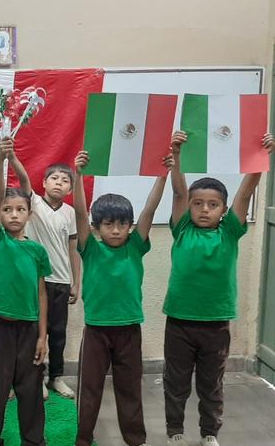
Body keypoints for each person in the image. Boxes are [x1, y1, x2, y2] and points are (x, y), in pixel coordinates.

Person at [164, 131, 275, 446]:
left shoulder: (229, 233)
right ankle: (175, 431)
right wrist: (177, 156)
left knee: (211, 384)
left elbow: (246, 192)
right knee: (176, 382)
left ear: (224, 210)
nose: (204, 209)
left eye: (213, 205)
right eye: (198, 204)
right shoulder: (182, 229)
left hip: (216, 325)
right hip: (180, 322)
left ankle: (209, 433)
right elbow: (178, 192)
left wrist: (260, 158)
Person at [72, 149, 173, 446]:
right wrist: (78, 175)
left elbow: (149, 210)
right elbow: (80, 212)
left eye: (122, 224)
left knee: (129, 389)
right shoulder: (90, 248)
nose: (116, 230)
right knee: (90, 389)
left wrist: (163, 175)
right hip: (96, 330)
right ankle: (83, 438)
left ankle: (135, 439)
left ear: (130, 226)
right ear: (97, 227)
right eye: (108, 224)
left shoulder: (135, 246)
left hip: (129, 329)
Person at [0, 138, 51, 446]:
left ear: (29, 214)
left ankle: (33, 440)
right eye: (7, 210)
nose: (14, 214)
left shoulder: (37, 251)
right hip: (0, 328)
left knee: (30, 389)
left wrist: (43, 336)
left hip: (30, 328)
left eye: (21, 209)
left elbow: (42, 294)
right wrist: (0, 160)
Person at [12, 156, 81, 399]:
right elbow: (23, 178)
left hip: (61, 282)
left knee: (58, 333)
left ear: (70, 189)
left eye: (65, 180)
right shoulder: (34, 204)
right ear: (43, 183)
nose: (59, 183)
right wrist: (11, 156)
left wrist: (76, 282)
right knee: (33, 332)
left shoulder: (70, 213)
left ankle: (56, 378)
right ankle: (36, 377)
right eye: (54, 178)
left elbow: (73, 249)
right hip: (36, 281)